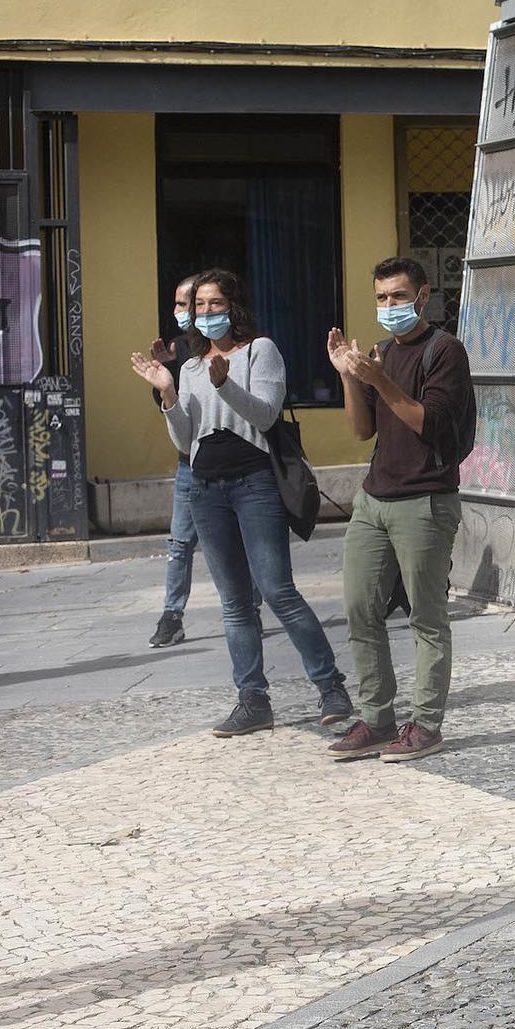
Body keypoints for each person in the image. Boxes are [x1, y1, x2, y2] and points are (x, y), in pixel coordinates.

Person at [129, 268, 353, 737]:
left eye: (215, 304)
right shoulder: (189, 368)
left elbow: (267, 414)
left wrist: (225, 384)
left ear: (234, 307)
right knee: (234, 604)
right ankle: (252, 699)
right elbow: (186, 438)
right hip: (205, 490)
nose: (206, 313)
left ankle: (331, 686)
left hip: (255, 483)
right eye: (199, 306)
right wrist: (168, 393)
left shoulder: (260, 351)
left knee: (277, 590)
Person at [324, 256, 474, 765]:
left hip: (425, 499)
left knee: (426, 617)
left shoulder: (445, 351)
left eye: (398, 296)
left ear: (423, 295)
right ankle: (377, 717)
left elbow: (429, 424)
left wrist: (381, 379)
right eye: (382, 297)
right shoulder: (378, 352)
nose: (389, 306)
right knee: (360, 608)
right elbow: (362, 430)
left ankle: (427, 724)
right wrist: (349, 376)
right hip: (373, 499)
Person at [148, 274, 199, 649]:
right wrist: (164, 379)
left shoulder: (237, 346)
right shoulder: (177, 347)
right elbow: (170, 408)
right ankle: (172, 615)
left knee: (237, 543)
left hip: (233, 463)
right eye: (177, 304)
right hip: (190, 462)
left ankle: (251, 606)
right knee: (180, 543)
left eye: (184, 304)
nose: (178, 312)